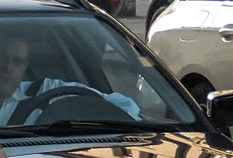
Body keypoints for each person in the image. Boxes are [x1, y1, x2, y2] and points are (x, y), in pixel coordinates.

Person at [0, 34, 139, 124]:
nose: (8, 67)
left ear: (25, 67)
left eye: (17, 62)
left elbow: (124, 107)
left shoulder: (47, 90)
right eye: (2, 59)